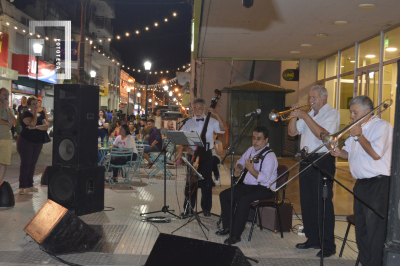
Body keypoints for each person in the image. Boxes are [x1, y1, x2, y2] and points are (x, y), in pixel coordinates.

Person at [330, 96, 391, 266]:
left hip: (378, 184)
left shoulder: (382, 127)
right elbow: (349, 154)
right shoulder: (356, 129)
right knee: (362, 230)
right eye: (351, 112)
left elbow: (376, 154)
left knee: (375, 231)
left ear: (367, 112)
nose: (351, 116)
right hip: (361, 184)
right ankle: (366, 262)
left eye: (354, 112)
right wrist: (337, 152)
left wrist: (359, 136)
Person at [288, 85, 340, 257]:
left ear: (324, 98)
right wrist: (293, 116)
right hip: (306, 158)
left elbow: (323, 135)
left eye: (314, 97)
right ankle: (313, 238)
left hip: (323, 159)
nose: (311, 100)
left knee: (323, 202)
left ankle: (328, 244)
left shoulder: (332, 114)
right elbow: (292, 132)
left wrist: (303, 115)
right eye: (310, 97)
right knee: (307, 200)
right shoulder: (309, 114)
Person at [217, 126, 277, 244]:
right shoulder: (250, 150)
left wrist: (251, 169)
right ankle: (228, 227)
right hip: (248, 186)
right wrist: (239, 168)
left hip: (264, 188)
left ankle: (235, 235)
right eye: (253, 138)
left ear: (266, 140)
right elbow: (240, 161)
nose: (255, 141)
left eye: (258, 139)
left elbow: (264, 178)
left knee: (244, 199)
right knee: (224, 195)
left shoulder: (270, 156)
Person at [182, 98, 226, 217]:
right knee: (191, 182)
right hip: (193, 155)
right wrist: (187, 148)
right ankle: (189, 209)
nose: (196, 111)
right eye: (194, 108)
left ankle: (206, 209)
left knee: (207, 183)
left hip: (206, 154)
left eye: (199, 108)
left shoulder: (211, 121)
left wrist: (216, 114)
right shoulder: (189, 122)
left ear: (205, 109)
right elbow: (182, 138)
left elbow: (223, 129)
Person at [17, 96, 48, 195]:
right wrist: (34, 115)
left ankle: (29, 185)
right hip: (26, 141)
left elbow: (46, 126)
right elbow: (32, 123)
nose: (36, 105)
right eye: (33, 104)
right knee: (26, 163)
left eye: (36, 103)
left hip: (38, 142)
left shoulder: (41, 115)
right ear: (29, 105)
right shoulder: (26, 114)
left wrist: (36, 128)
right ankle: (22, 186)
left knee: (33, 163)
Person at [0, 88, 16, 187]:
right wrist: (7, 122)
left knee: (3, 163)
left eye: (7, 94)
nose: (6, 96)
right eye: (4, 94)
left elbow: (13, 122)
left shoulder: (9, 109)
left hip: (6, 138)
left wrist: (7, 109)